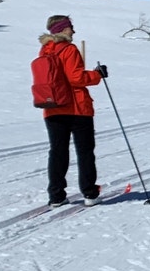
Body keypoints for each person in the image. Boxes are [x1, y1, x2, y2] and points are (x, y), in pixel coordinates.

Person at [35, 13, 105, 207]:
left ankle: (56, 195)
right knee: (85, 151)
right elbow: (76, 78)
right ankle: (90, 193)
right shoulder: (69, 49)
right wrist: (96, 75)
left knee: (58, 151)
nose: (73, 30)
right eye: (70, 27)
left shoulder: (45, 51)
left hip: (51, 107)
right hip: (76, 107)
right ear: (62, 29)